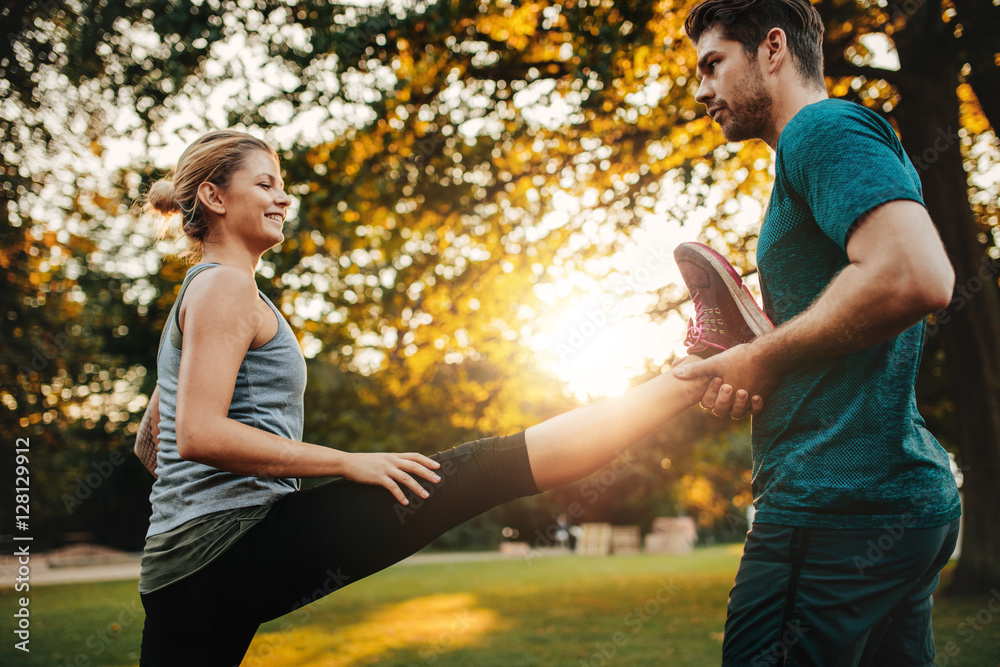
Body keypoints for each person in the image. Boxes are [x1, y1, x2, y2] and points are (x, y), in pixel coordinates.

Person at [133, 129, 761, 665]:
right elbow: (198, 436)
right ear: (215, 197)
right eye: (265, 183)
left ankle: (701, 365)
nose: (283, 196)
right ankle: (703, 364)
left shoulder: (204, 292)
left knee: (482, 469)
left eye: (281, 183)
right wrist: (348, 463)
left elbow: (153, 440)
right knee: (481, 470)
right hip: (226, 546)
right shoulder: (224, 290)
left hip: (192, 564)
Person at [673, 0, 962, 664]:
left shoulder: (821, 129)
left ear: (772, 49)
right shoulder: (823, 150)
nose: (702, 91)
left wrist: (764, 358)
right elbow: (843, 333)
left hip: (832, 510)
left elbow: (915, 274)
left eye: (713, 64)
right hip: (898, 503)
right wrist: (751, 365)